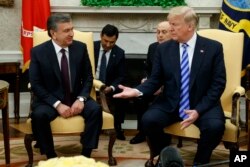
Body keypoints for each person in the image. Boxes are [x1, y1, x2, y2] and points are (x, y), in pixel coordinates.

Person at [114, 6, 226, 166]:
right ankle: (166, 156)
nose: (170, 28)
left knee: (215, 127)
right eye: (170, 23)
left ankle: (200, 162)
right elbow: (155, 80)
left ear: (190, 26)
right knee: (149, 120)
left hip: (203, 103)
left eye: (174, 24)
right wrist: (137, 91)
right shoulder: (163, 49)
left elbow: (218, 84)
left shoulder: (213, 48)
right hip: (171, 102)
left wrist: (199, 110)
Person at [29, 13, 102, 159]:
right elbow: (36, 84)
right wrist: (57, 104)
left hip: (75, 96)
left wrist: (81, 99)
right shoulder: (38, 52)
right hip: (50, 100)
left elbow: (88, 77)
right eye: (66, 31)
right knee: (39, 115)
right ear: (53, 33)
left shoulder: (80, 48)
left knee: (95, 109)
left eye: (72, 29)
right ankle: (51, 156)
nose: (72, 34)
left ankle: (85, 155)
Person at [130, 21, 171, 144]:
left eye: (164, 32)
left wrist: (162, 87)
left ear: (172, 32)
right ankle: (142, 132)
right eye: (158, 32)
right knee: (139, 97)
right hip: (152, 85)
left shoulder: (176, 48)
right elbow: (147, 69)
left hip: (168, 89)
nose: (160, 35)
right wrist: (145, 78)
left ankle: (165, 133)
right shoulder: (153, 47)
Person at [94, 24, 127, 140]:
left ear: (116, 40)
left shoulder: (119, 53)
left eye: (112, 42)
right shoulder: (90, 47)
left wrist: (112, 87)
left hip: (108, 87)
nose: (108, 45)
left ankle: (117, 126)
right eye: (105, 41)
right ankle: (92, 128)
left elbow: (121, 76)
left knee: (122, 95)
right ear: (100, 36)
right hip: (91, 86)